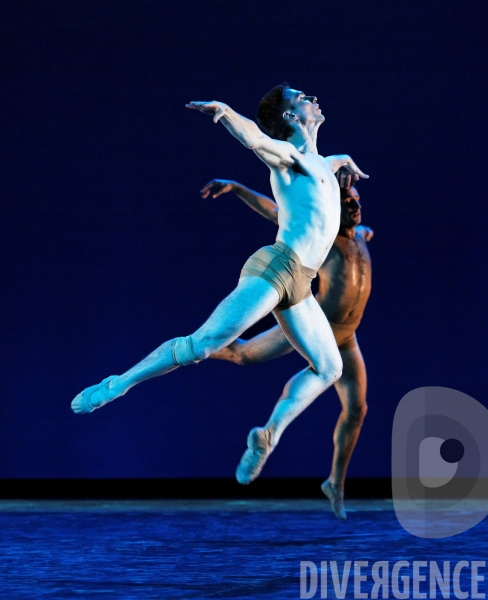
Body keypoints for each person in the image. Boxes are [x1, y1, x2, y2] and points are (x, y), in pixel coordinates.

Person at [70, 83, 368, 493]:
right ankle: (118, 383)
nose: (313, 97)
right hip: (278, 267)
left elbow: (329, 163)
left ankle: (268, 435)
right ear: (290, 117)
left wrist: (343, 160)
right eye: (302, 97)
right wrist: (225, 113)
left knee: (330, 367)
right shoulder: (290, 158)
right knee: (203, 344)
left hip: (301, 283)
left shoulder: (321, 162)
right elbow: (257, 140)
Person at [202, 179, 373, 520]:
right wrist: (238, 188)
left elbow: (361, 229)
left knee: (357, 409)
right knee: (243, 354)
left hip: (347, 338)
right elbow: (276, 212)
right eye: (348, 202)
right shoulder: (322, 239)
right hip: (315, 330)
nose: (355, 206)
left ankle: (335, 484)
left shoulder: (363, 236)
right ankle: (196, 344)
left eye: (356, 200)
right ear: (332, 209)